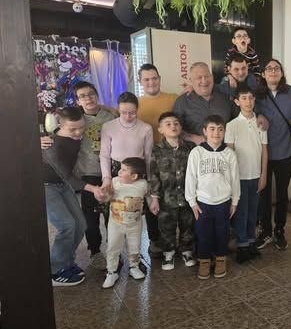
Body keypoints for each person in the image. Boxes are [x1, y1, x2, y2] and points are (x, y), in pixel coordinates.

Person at [43, 107, 106, 286]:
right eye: (73, 129)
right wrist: (94, 189)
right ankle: (55, 271)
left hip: (63, 186)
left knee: (80, 224)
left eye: (81, 127)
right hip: (46, 186)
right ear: (61, 125)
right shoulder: (51, 144)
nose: (78, 133)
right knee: (66, 225)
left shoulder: (75, 135)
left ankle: (66, 263)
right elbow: (67, 176)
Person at [185, 115, 240, 280]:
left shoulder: (229, 154)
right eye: (212, 129)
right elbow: (190, 177)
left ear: (224, 132)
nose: (216, 133)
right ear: (205, 131)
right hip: (202, 202)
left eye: (220, 129)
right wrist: (192, 201)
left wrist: (235, 201)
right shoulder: (197, 152)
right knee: (203, 233)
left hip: (223, 202)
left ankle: (221, 258)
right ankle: (204, 260)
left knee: (222, 232)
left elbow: (235, 179)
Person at [254, 59, 291, 250]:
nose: (273, 71)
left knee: (282, 195)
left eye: (277, 68)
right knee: (263, 195)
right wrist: (258, 114)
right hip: (262, 154)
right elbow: (238, 99)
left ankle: (279, 230)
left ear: (281, 73)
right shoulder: (256, 95)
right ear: (263, 74)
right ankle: (265, 231)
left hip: (285, 152)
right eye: (269, 68)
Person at [73, 81, 116, 268]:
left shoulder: (110, 116)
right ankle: (95, 251)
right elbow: (59, 133)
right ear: (78, 101)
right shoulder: (76, 119)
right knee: (90, 218)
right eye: (82, 96)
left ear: (97, 95)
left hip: (110, 172)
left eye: (91, 94)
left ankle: (114, 251)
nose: (88, 98)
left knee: (112, 216)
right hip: (88, 174)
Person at [137, 63, 177, 256]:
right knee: (152, 199)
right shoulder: (136, 104)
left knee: (173, 200)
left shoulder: (173, 98)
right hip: (147, 160)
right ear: (140, 82)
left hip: (173, 159)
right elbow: (117, 113)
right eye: (146, 79)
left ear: (159, 79)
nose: (151, 82)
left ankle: (177, 238)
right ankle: (155, 240)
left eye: (154, 78)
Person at [225, 84, 268, 263]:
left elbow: (264, 151)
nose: (248, 101)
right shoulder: (231, 125)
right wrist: (232, 179)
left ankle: (251, 242)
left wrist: (263, 174)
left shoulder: (260, 123)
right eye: (244, 98)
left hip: (256, 175)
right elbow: (229, 154)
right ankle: (242, 245)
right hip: (239, 177)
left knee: (253, 212)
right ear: (237, 101)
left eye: (251, 97)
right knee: (241, 212)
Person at [148, 112, 196, 271]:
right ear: (160, 129)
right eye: (168, 124)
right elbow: (154, 175)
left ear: (181, 127)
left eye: (176, 123)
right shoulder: (157, 150)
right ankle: (168, 253)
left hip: (187, 196)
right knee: (166, 226)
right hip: (166, 197)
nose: (173, 126)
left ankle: (187, 251)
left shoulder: (190, 148)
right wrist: (154, 198)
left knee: (187, 224)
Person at [102, 158, 149, 289]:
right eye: (120, 169)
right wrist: (105, 194)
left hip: (135, 224)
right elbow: (106, 198)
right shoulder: (114, 182)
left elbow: (149, 196)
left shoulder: (143, 184)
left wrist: (153, 203)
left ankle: (134, 267)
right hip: (116, 224)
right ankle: (111, 271)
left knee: (135, 246)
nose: (119, 172)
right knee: (113, 246)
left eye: (123, 170)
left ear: (134, 176)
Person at [100, 92, 153, 192]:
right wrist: (106, 178)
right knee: (117, 200)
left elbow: (148, 157)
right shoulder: (108, 127)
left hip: (137, 171)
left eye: (132, 113)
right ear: (118, 109)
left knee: (137, 200)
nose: (128, 116)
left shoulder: (146, 128)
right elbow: (104, 155)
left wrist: (150, 179)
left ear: (137, 109)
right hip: (116, 171)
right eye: (124, 112)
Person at [173, 62, 233, 145]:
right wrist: (193, 138)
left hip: (224, 150)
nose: (204, 80)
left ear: (212, 77)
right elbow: (174, 129)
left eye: (207, 76)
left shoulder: (225, 97)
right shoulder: (182, 101)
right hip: (194, 150)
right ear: (191, 80)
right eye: (199, 77)